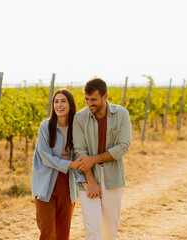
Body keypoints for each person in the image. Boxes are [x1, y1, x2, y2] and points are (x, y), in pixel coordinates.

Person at [72, 77, 132, 240]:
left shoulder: (121, 114)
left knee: (109, 231)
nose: (89, 103)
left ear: (105, 97)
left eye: (93, 99)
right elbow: (80, 150)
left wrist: (94, 159)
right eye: (86, 99)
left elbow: (123, 146)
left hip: (113, 177)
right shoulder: (79, 118)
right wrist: (90, 181)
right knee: (92, 228)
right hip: (88, 177)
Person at [31, 89, 83, 240]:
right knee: (47, 230)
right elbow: (45, 156)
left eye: (63, 101)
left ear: (71, 105)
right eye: (56, 101)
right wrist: (69, 164)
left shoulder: (77, 128)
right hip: (45, 181)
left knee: (63, 232)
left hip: (68, 183)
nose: (59, 105)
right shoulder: (45, 127)